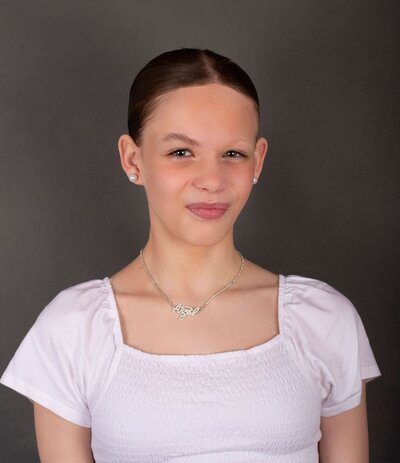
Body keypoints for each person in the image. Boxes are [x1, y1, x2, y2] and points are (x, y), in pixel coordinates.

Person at [1, 48, 381, 462]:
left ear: (258, 161)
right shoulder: (73, 330)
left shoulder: (322, 320)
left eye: (233, 153)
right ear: (133, 159)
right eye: (181, 152)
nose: (212, 180)